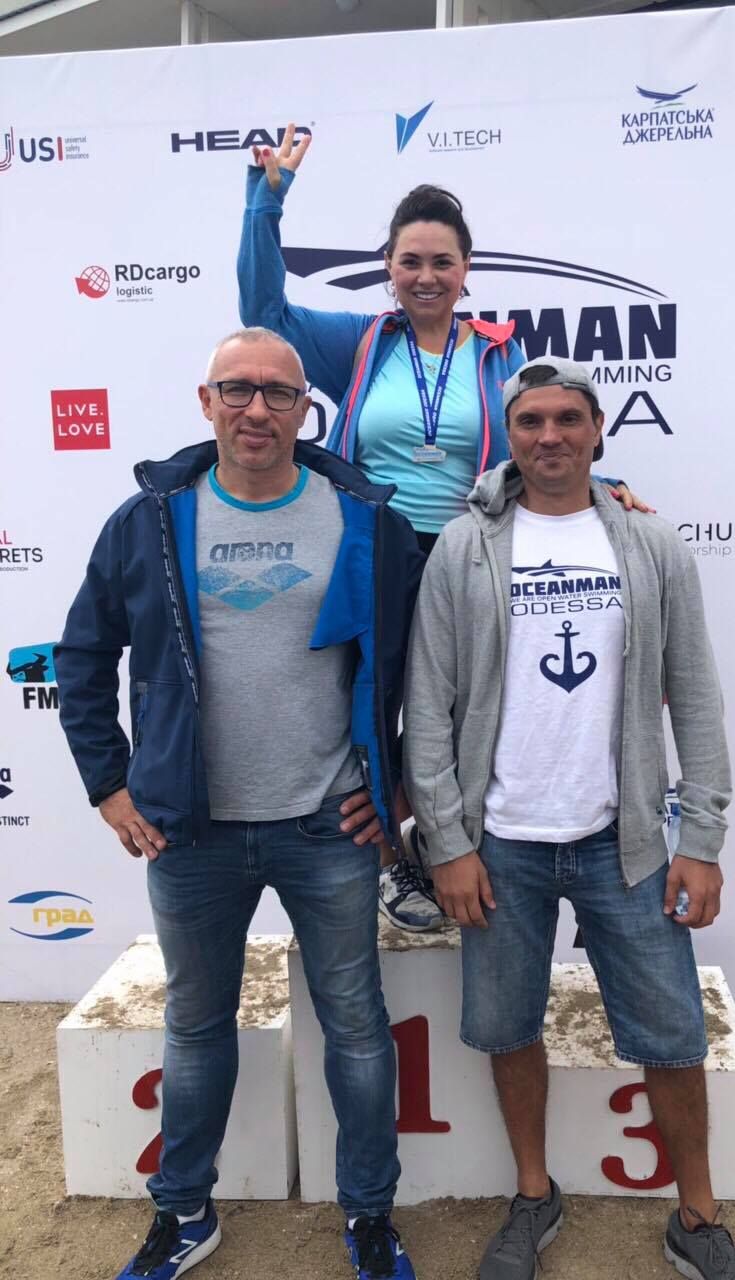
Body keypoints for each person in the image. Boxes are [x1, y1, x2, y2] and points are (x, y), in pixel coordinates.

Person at [55, 327, 423, 1280]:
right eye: (238, 389)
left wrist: (396, 785)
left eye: (278, 393)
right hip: (193, 830)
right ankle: (183, 1212)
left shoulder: (364, 517)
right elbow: (83, 655)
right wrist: (109, 786)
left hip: (328, 824)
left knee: (356, 1026)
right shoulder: (148, 521)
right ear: (206, 401)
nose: (257, 409)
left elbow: (422, 665)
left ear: (306, 411)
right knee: (194, 1026)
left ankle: (369, 1214)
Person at [238, 124, 649, 933]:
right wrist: (266, 202)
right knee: (377, 710)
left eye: (441, 261)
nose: (425, 276)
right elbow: (263, 310)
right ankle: (392, 863)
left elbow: (540, 438)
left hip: (472, 555)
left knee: (463, 711)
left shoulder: (498, 353)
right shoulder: (360, 343)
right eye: (410, 261)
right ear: (388, 269)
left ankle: (447, 849)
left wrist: (603, 486)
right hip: (377, 553)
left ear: (465, 270)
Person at [402, 358, 735, 1280]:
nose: (549, 435)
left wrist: (702, 838)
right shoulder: (463, 547)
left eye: (568, 418)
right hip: (499, 845)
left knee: (672, 1034)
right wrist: (447, 842)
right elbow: (427, 704)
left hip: (623, 843)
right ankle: (533, 1194)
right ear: (509, 435)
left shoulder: (650, 542)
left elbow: (696, 694)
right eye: (531, 421)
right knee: (507, 1027)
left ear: (599, 430)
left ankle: (698, 1215)